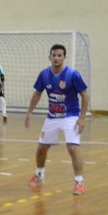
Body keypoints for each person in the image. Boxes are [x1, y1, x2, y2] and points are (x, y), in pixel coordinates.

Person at [24, 44, 89, 195]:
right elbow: (37, 93)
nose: (56, 58)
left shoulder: (73, 74)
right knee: (42, 148)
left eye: (60, 55)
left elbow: (85, 95)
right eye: (54, 55)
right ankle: (39, 175)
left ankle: (79, 182)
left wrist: (82, 118)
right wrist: (29, 112)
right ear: (50, 57)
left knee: (73, 148)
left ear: (64, 57)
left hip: (70, 116)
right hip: (52, 117)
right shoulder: (44, 75)